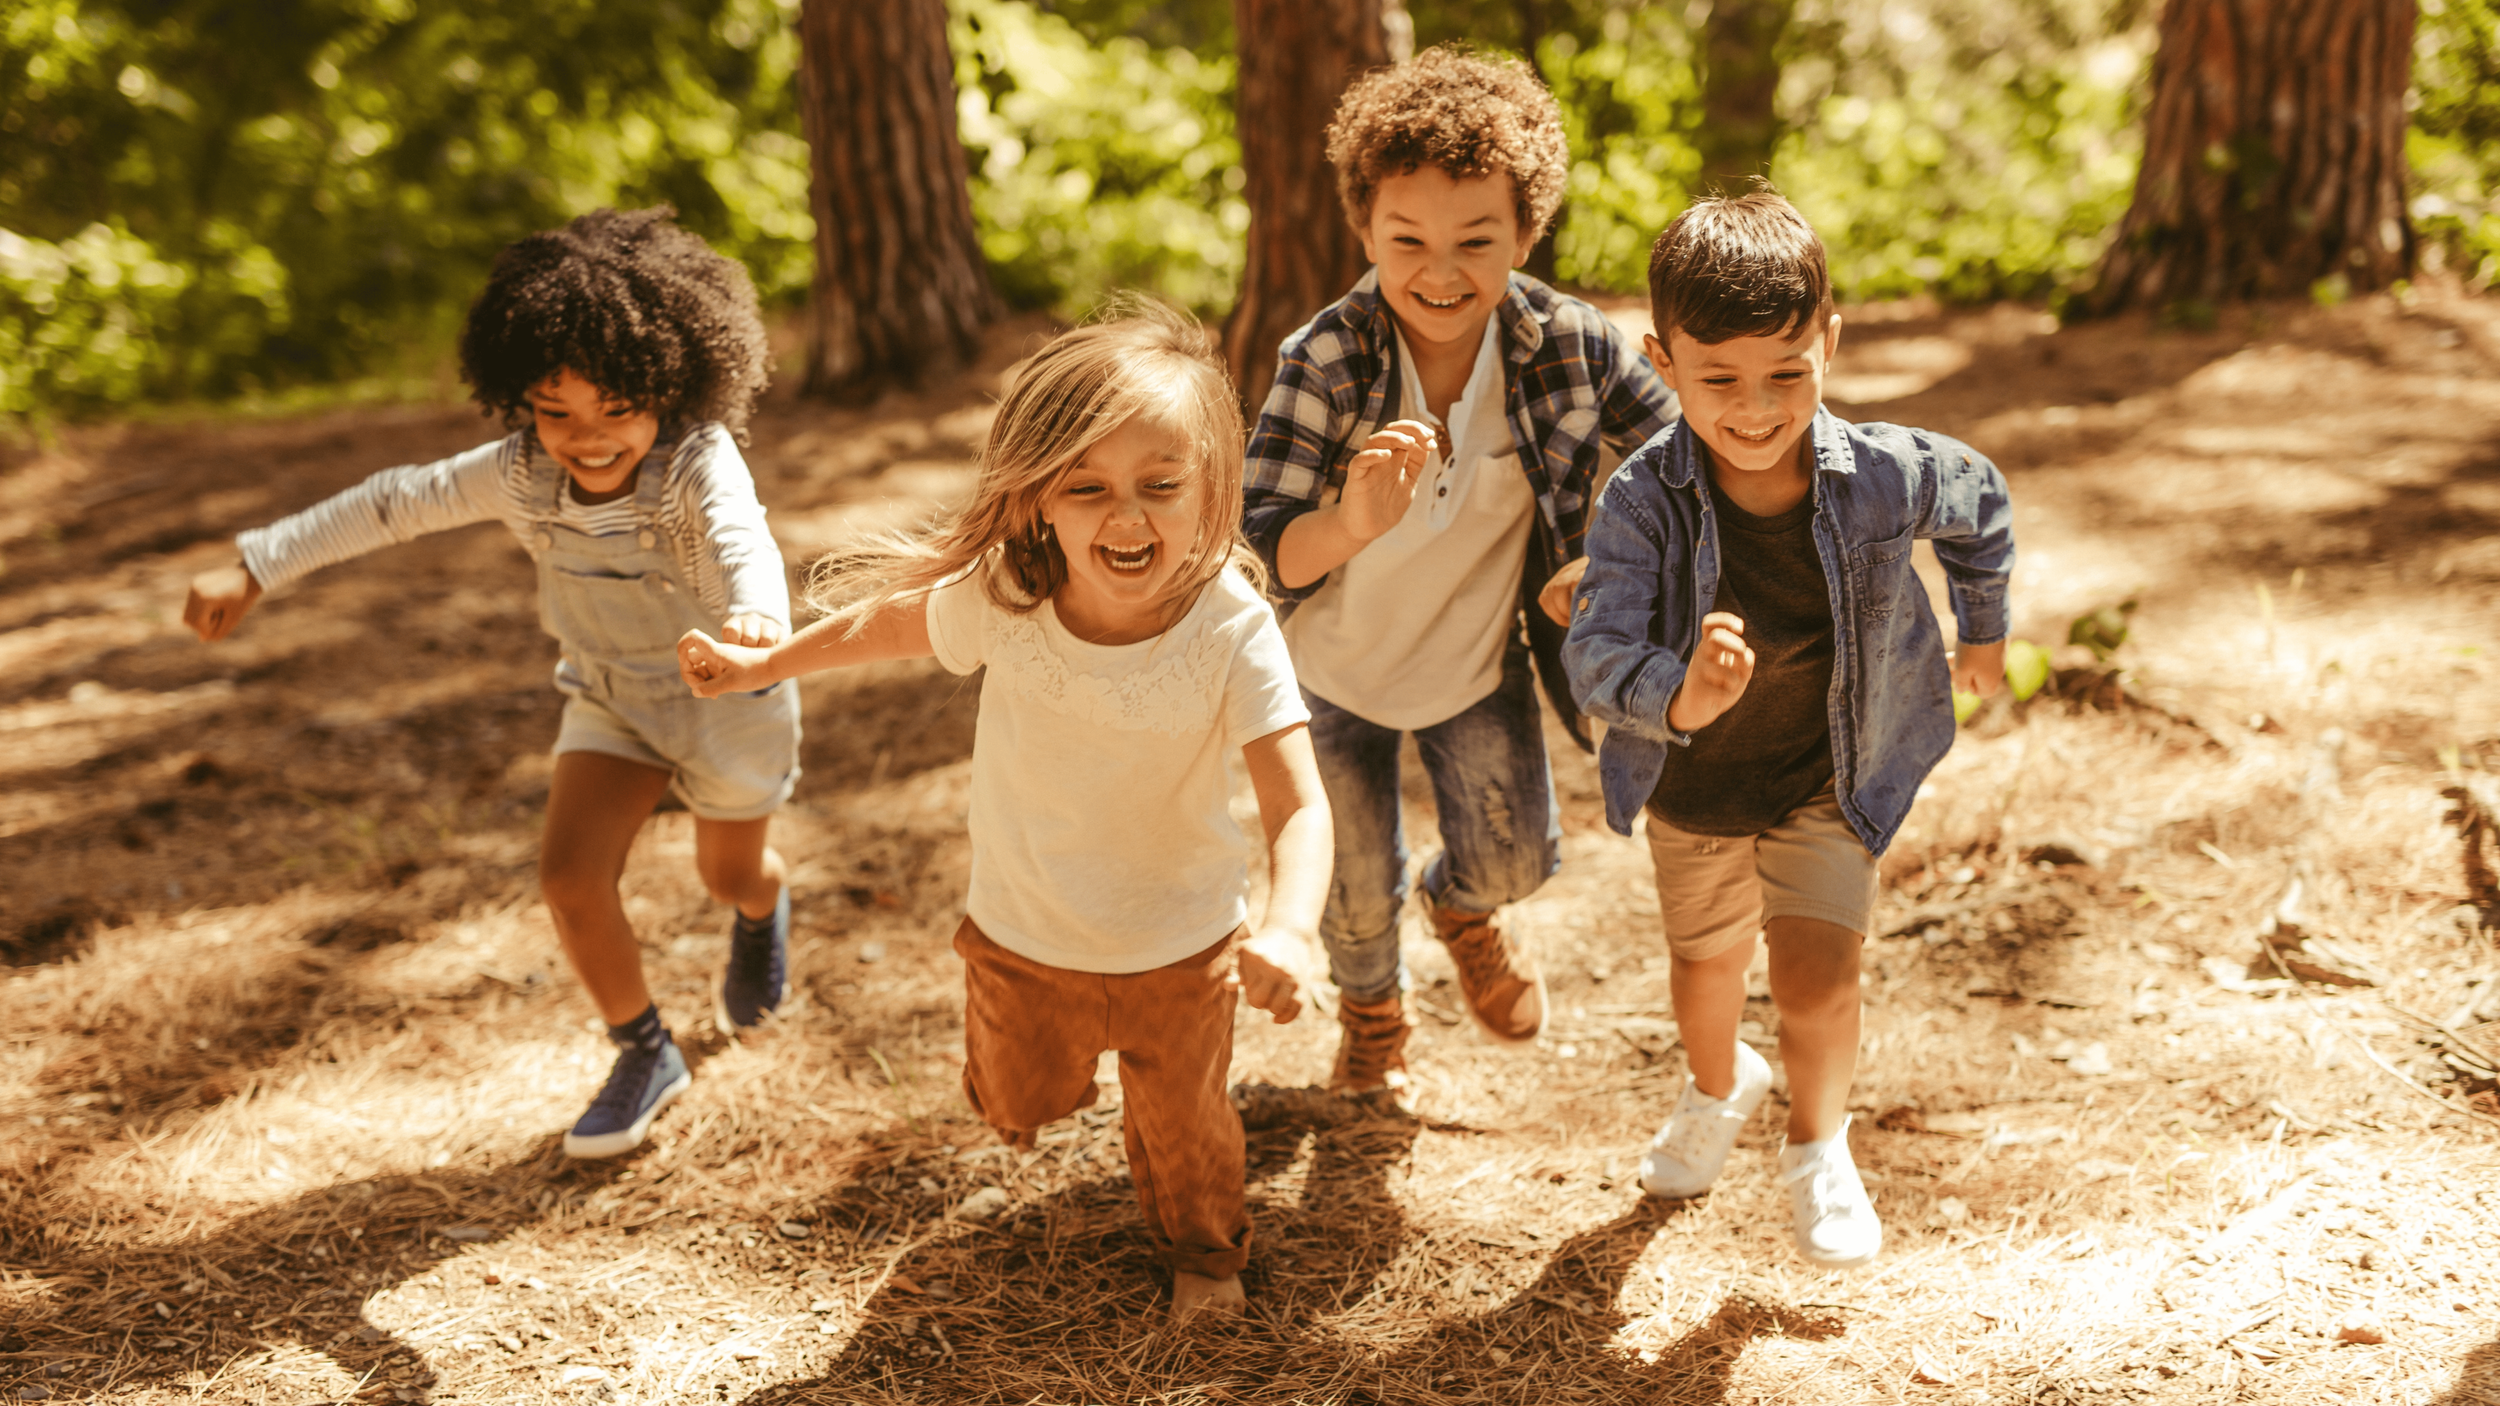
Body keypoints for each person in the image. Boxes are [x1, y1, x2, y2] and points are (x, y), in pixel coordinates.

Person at [677, 306, 1329, 1319]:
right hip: (1024, 934)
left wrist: (1290, 926)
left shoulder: (1230, 625)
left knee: (1190, 1128)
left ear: (1211, 491)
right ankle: (1031, 1087)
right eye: (1088, 488)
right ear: (1036, 502)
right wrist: (768, 660)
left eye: (1160, 487)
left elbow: (1296, 803)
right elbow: (884, 623)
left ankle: (1206, 1254)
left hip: (1181, 944)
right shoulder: (1008, 594)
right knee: (1017, 1101)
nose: (1126, 519)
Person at [182, 207, 798, 1160]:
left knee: (729, 871)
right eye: (556, 413)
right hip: (610, 699)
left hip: (729, 692)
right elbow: (391, 502)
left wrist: (756, 616)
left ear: (668, 387)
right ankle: (643, 1050)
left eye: (615, 411)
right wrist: (256, 566)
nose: (586, 439)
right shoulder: (519, 476)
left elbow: (739, 538)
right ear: (520, 397)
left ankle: (761, 914)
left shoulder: (696, 463)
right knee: (567, 876)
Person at [1564, 189, 2015, 1268]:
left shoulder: (1886, 472)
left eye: (1786, 372)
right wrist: (1679, 692)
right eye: (1717, 377)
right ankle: (1718, 1084)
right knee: (1705, 969)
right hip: (1695, 788)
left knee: (1817, 979)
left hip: (1831, 770)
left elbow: (1982, 501)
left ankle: (1818, 1146)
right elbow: (1594, 648)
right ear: (1662, 360)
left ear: (1829, 340)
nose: (1755, 407)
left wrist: (1982, 632)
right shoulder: (1640, 501)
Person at [1240, 45, 1680, 1099]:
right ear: (1364, 232)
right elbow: (1261, 546)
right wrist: (1348, 521)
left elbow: (1682, 455)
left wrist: (1609, 559)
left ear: (1526, 233)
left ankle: (1464, 907)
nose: (1440, 272)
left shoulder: (1571, 346)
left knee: (1520, 856)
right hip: (1326, 675)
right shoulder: (1325, 358)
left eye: (1476, 241)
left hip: (1473, 668)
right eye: (1408, 242)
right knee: (1348, 891)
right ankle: (1374, 1019)